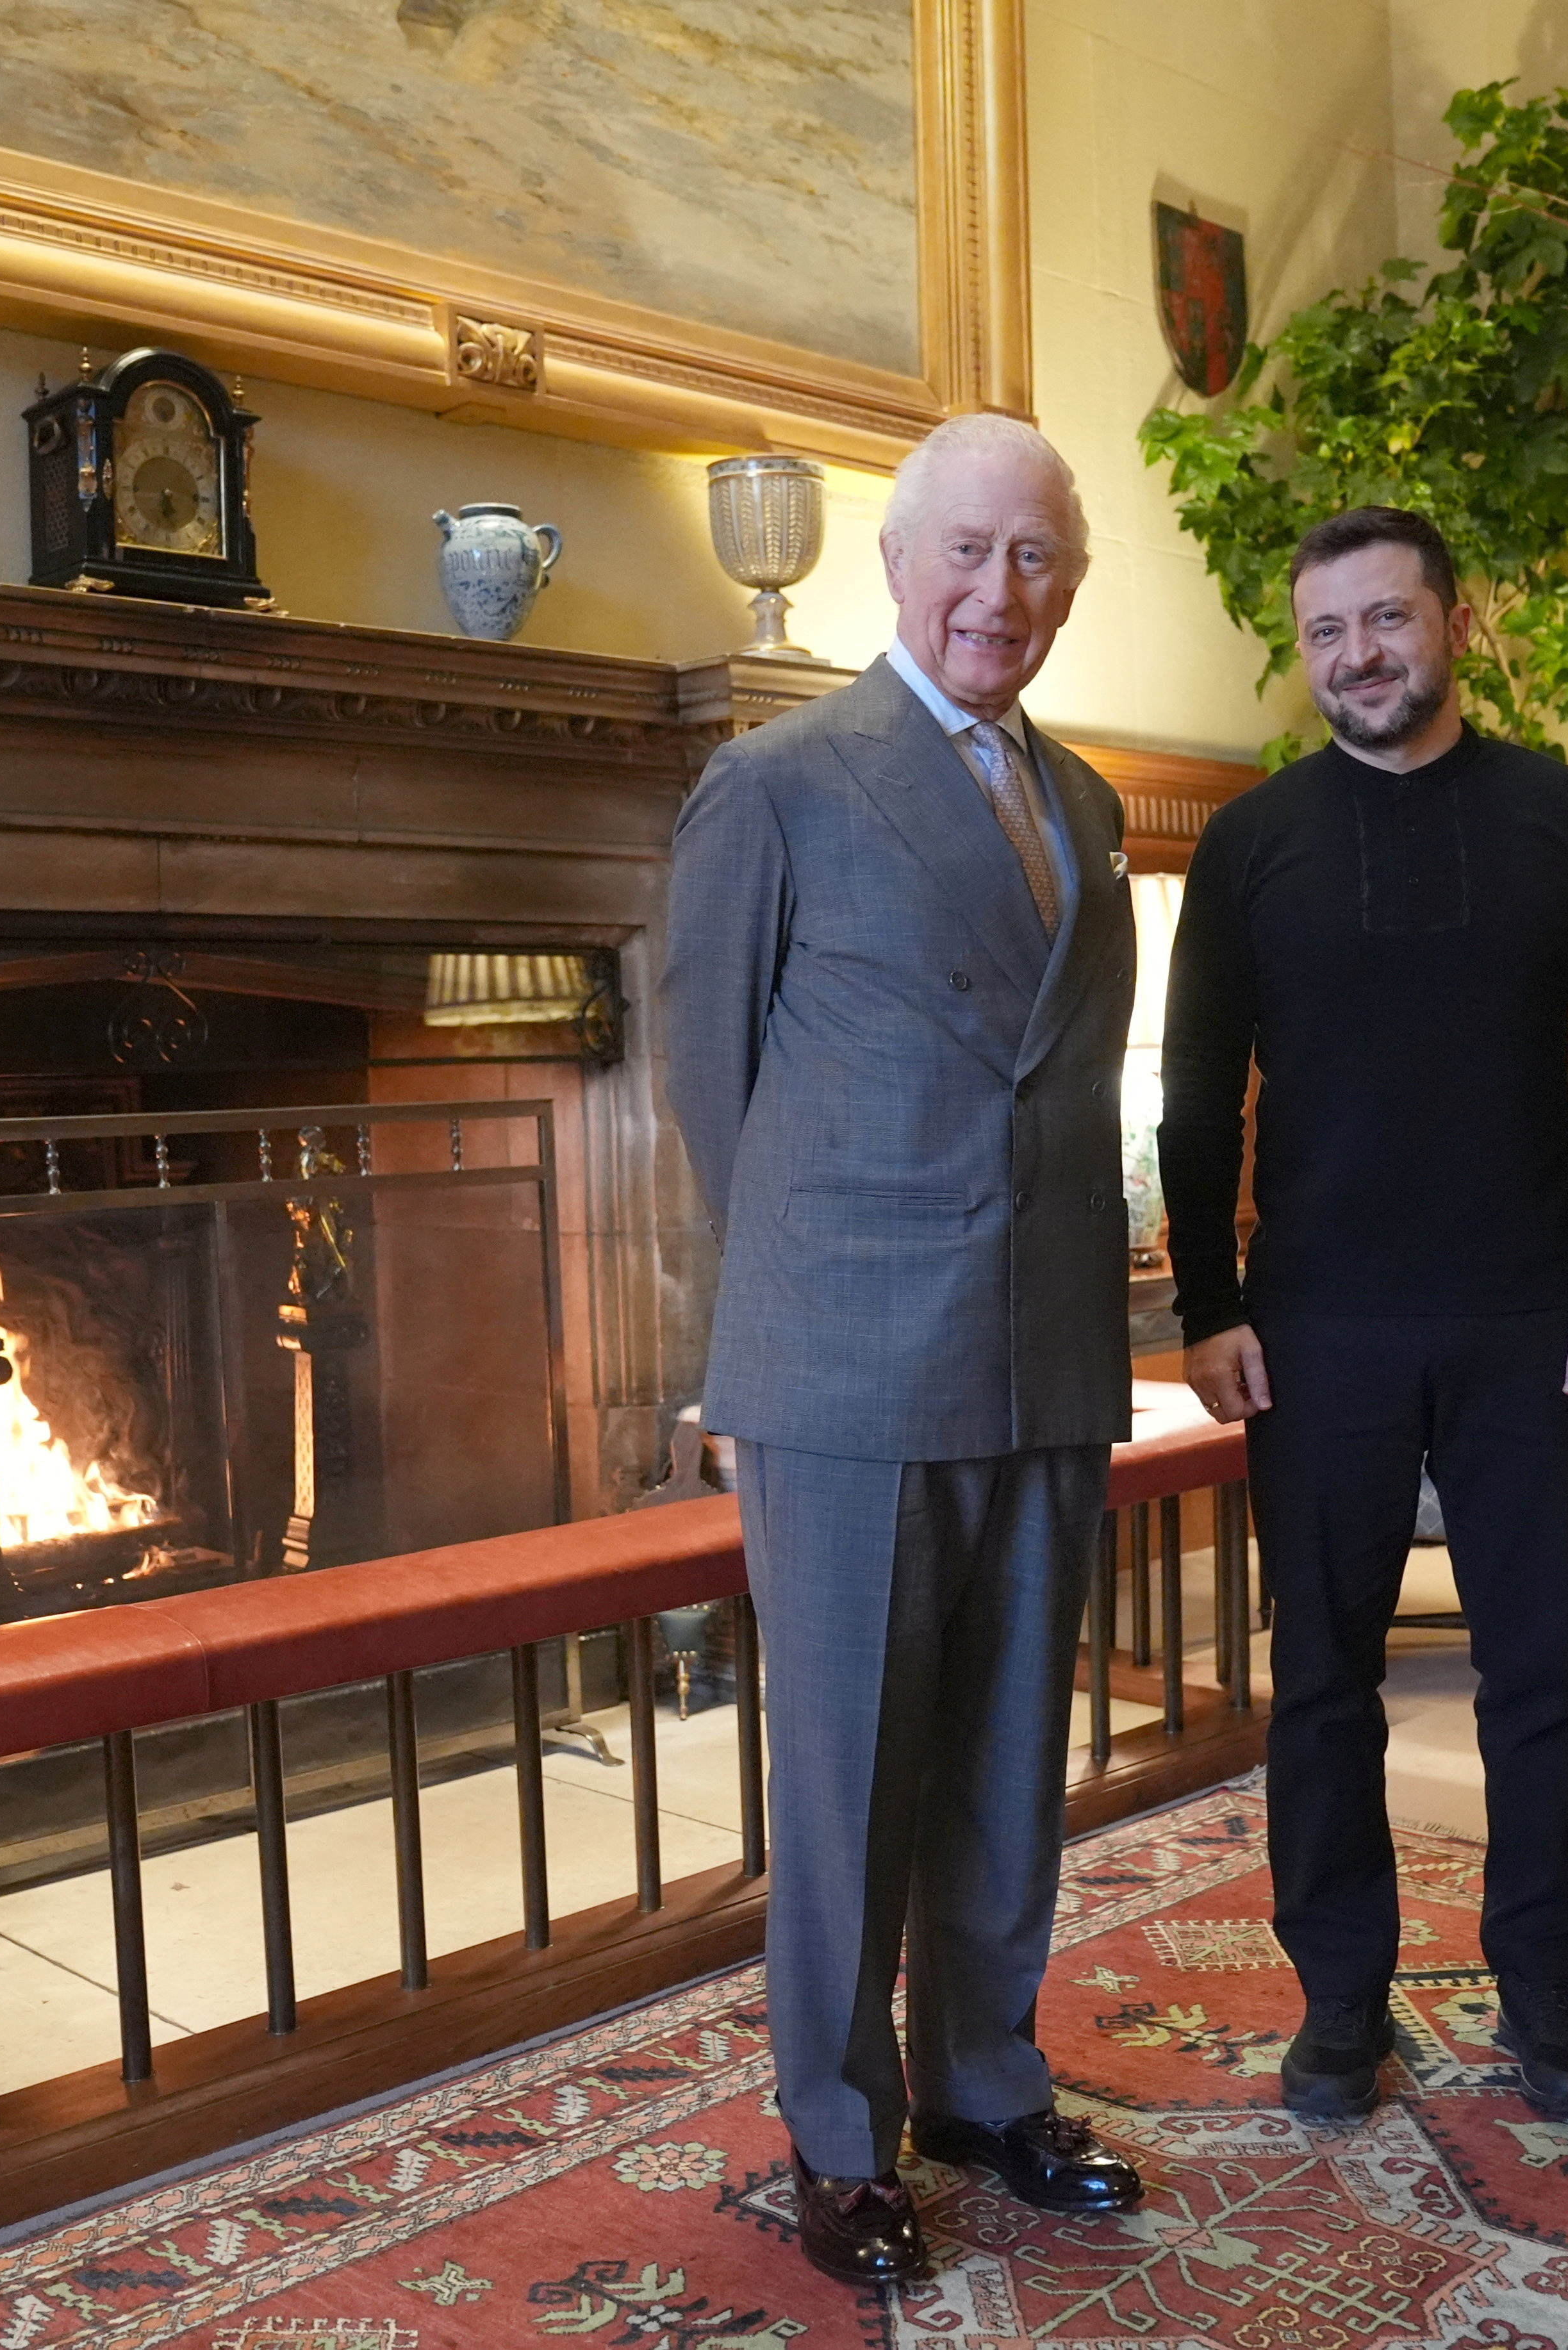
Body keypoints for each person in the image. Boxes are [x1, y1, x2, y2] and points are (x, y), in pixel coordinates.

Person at [665, 413, 1141, 2287]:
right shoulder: (775, 784)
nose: (996, 593)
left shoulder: (1089, 807)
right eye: (965, 550)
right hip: (850, 1359)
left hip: (1043, 1353)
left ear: (1069, 587)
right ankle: (841, 2133)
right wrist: (792, 1314)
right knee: (853, 1771)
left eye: (1033, 559)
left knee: (1016, 1749)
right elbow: (714, 1096)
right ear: (893, 563)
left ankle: (985, 2082)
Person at [1157, 505, 1568, 2126]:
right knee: (1319, 1679)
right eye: (1325, 632)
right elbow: (1190, 1095)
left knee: (1542, 1674)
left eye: (1384, 619)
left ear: (1450, 619)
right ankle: (1338, 1998)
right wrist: (1206, 1301)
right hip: (1315, 1326)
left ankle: (1539, 1983)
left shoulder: (1558, 815)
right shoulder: (1250, 843)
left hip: (1530, 1311)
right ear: (1301, 650)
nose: (1357, 655)